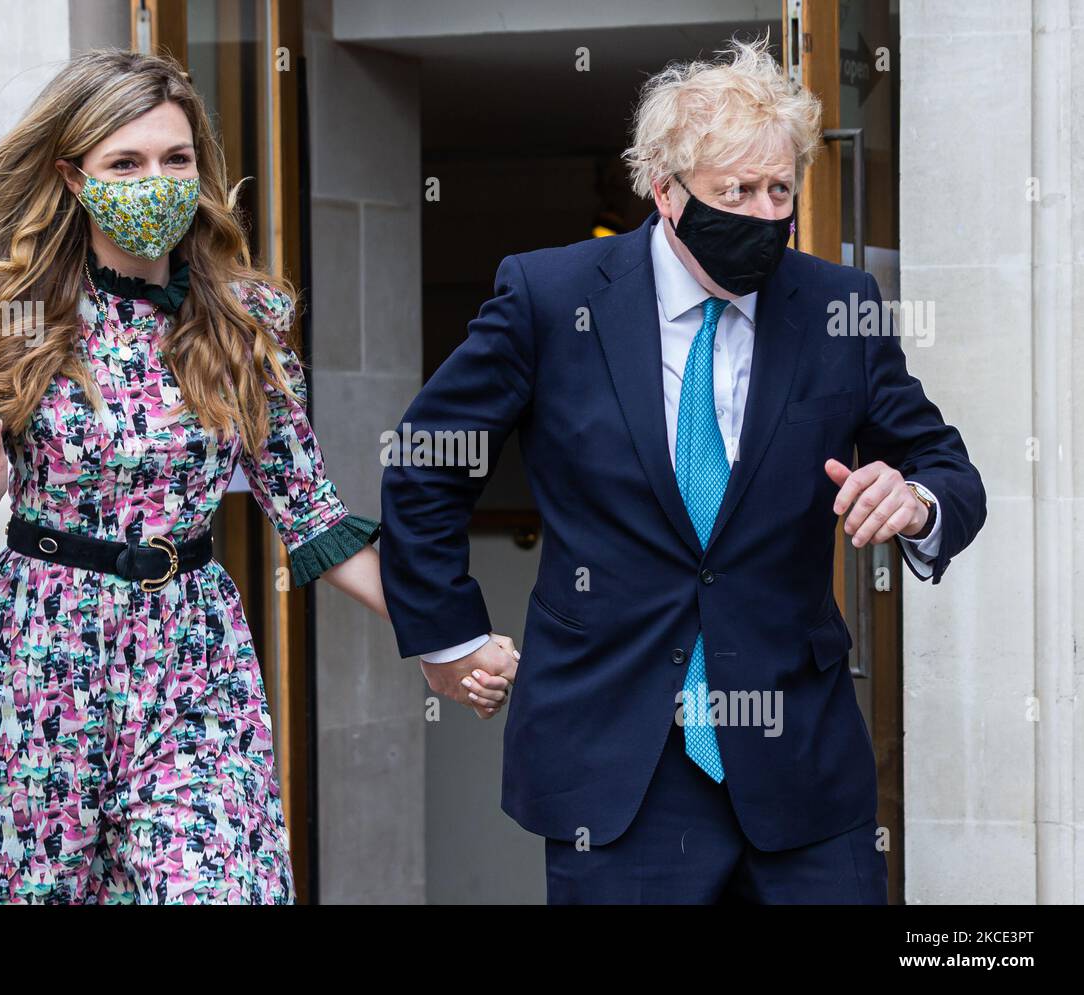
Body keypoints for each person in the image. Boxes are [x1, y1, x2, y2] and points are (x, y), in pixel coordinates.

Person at [379, 36, 986, 904]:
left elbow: (944, 465)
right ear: (665, 191)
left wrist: (917, 498)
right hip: (616, 765)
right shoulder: (551, 299)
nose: (764, 212)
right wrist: (450, 639)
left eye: (781, 190)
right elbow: (427, 465)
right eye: (735, 190)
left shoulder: (837, 306)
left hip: (802, 765)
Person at [0, 49, 511, 905]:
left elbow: (316, 520)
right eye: (126, 162)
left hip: (192, 664)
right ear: (76, 178)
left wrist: (448, 638)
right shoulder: (15, 317)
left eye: (175, 158)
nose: (155, 178)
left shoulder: (244, 323)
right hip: (30, 665)